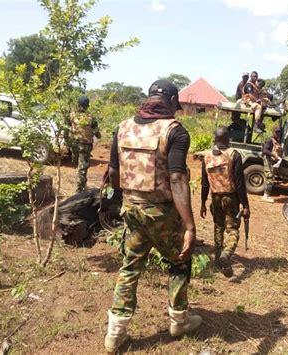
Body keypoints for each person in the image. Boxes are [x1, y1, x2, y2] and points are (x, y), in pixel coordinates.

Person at [104, 80, 201, 353]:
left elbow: (113, 172)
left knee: (130, 267)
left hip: (132, 210)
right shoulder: (175, 132)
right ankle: (179, 321)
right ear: (171, 100)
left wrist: (119, 200)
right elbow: (178, 178)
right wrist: (190, 227)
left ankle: (115, 333)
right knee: (180, 261)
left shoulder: (122, 128)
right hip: (163, 214)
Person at [200, 126, 250, 277]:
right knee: (232, 229)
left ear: (214, 139)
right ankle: (226, 255)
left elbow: (204, 183)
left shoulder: (207, 156)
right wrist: (245, 205)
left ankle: (217, 260)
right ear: (228, 139)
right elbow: (240, 183)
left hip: (215, 197)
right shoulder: (234, 155)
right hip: (231, 197)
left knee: (218, 227)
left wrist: (202, 202)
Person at [70, 95, 101, 193]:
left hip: (74, 144)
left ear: (78, 104)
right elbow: (97, 133)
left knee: (78, 165)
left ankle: (82, 184)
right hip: (85, 145)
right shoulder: (91, 117)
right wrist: (98, 136)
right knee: (83, 168)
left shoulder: (72, 115)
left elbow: (66, 128)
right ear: (87, 105)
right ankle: (79, 190)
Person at [262, 127, 283, 203]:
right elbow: (265, 150)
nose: (277, 133)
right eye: (276, 132)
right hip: (268, 160)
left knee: (271, 178)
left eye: (279, 132)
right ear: (273, 132)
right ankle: (265, 196)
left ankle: (266, 195)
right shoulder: (270, 140)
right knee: (270, 178)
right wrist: (273, 155)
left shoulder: (277, 141)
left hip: (273, 162)